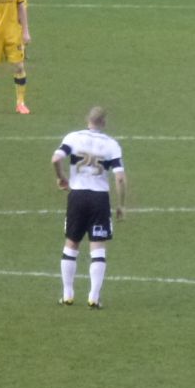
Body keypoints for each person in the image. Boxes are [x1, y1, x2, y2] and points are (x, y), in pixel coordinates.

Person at [52, 106, 126, 309]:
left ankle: (68, 294)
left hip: (77, 196)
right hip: (99, 199)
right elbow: (119, 178)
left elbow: (56, 158)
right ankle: (94, 297)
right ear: (104, 123)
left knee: (71, 244)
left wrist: (61, 178)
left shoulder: (73, 137)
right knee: (98, 247)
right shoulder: (111, 145)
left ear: (88, 120)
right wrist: (120, 204)